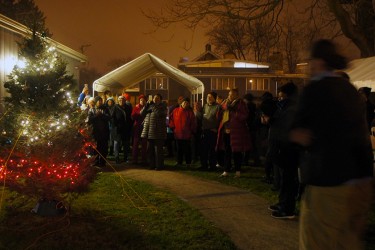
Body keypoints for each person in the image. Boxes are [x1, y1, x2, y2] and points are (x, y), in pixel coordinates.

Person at [289, 39, 374, 249]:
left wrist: (298, 136)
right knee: (347, 241)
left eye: (310, 61)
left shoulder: (314, 90)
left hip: (327, 181)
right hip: (358, 181)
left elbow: (298, 132)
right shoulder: (349, 89)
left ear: (318, 62)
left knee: (317, 242)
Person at [264, 81, 300, 219]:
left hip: (288, 148)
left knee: (289, 179)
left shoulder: (292, 109)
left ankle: (288, 209)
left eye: (281, 96)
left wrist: (271, 120)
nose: (279, 99)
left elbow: (285, 127)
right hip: (282, 147)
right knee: (285, 178)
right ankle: (282, 203)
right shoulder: (285, 108)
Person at [217, 88, 251, 178]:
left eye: (232, 95)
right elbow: (220, 116)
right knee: (227, 151)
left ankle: (238, 171)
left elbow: (244, 116)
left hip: (236, 131)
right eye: (229, 94)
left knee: (237, 152)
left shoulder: (241, 104)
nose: (229, 96)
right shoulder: (225, 103)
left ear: (237, 95)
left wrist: (233, 110)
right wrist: (221, 109)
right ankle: (226, 170)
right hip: (226, 130)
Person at [195, 92, 221, 171]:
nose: (208, 98)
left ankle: (212, 166)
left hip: (213, 131)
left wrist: (217, 128)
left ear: (214, 98)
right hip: (204, 131)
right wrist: (198, 111)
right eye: (207, 96)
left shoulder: (218, 107)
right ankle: (204, 165)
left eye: (210, 97)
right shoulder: (205, 106)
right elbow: (200, 117)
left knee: (212, 150)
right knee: (204, 150)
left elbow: (221, 119)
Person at [141, 94, 167, 170]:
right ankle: (152, 165)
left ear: (160, 99)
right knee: (150, 150)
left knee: (158, 151)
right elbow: (141, 113)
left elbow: (159, 113)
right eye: (154, 98)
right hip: (149, 132)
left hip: (158, 132)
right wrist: (146, 105)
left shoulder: (163, 106)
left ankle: (159, 166)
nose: (155, 99)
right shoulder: (149, 105)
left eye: (157, 98)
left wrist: (152, 106)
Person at [169, 97, 197, 167]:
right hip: (178, 134)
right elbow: (171, 119)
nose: (185, 104)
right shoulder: (175, 110)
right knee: (179, 149)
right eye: (184, 102)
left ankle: (188, 162)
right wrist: (173, 128)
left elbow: (193, 123)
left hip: (187, 135)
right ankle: (179, 162)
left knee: (187, 149)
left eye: (187, 103)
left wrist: (192, 131)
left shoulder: (190, 112)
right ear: (181, 103)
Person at [86, 96, 110, 167]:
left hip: (104, 132)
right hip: (96, 132)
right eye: (98, 101)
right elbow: (90, 120)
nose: (99, 102)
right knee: (96, 148)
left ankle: (102, 162)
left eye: (101, 100)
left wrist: (102, 115)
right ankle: (96, 161)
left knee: (104, 148)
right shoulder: (92, 110)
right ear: (95, 102)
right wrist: (96, 115)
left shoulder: (105, 109)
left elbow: (109, 117)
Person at [131, 94, 147, 165]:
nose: (142, 101)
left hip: (145, 127)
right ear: (139, 101)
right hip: (137, 127)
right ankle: (135, 159)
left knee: (144, 144)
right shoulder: (136, 107)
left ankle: (144, 159)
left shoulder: (147, 108)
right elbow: (133, 116)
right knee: (136, 144)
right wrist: (139, 114)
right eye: (141, 100)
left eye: (143, 100)